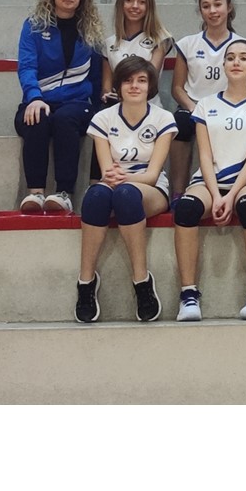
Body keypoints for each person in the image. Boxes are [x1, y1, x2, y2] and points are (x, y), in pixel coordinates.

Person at [173, 39, 246, 321]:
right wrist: (217, 195)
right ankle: (188, 294)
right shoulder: (205, 105)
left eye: (243, 58)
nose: (236, 62)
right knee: (186, 208)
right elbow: (205, 155)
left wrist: (230, 196)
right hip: (209, 182)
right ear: (224, 65)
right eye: (230, 58)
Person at [75, 55, 174, 324]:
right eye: (128, 80)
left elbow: (152, 175)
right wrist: (115, 178)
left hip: (149, 188)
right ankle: (86, 282)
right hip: (113, 183)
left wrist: (126, 178)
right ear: (118, 85)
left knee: (126, 194)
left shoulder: (163, 118)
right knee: (95, 195)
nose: (134, 86)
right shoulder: (103, 118)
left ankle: (141, 281)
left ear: (150, 86)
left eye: (141, 80)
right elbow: (107, 170)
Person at [15, 0, 107, 212]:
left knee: (66, 118)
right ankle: (36, 194)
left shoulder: (91, 30)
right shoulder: (34, 26)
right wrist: (34, 97)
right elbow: (27, 66)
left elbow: (96, 76)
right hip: (40, 99)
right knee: (37, 117)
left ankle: (64, 194)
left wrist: (101, 109)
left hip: (77, 105)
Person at [168, 0, 239, 200]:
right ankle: (178, 193)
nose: (212, 11)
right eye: (206, 6)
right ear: (200, 11)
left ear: (229, 7)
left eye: (218, 5)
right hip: (193, 106)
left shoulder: (241, 45)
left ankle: (231, 190)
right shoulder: (187, 44)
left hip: (227, 106)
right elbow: (177, 88)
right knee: (180, 124)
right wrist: (194, 108)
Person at [100, 0, 170, 103]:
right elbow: (107, 87)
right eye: (129, 0)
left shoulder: (160, 39)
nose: (135, 6)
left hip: (149, 107)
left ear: (149, 7)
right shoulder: (109, 43)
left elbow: (150, 80)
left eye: (142, 2)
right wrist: (107, 96)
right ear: (121, 4)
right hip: (119, 107)